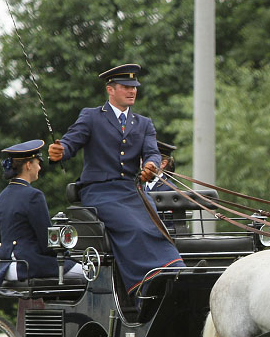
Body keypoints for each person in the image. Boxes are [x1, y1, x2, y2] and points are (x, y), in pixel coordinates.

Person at [47, 63, 183, 295]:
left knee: (156, 228)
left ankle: (175, 273)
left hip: (131, 192)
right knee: (134, 229)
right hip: (100, 192)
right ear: (110, 90)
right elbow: (70, 142)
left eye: (134, 87)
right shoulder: (91, 117)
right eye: (125, 87)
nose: (132, 91)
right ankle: (144, 287)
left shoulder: (143, 124)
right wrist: (60, 151)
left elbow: (151, 152)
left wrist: (150, 165)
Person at [0, 140, 82, 287]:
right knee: (90, 273)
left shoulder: (1, 197)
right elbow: (47, 242)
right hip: (29, 265)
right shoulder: (33, 196)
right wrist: (68, 255)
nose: (39, 168)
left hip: (6, 268)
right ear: (28, 165)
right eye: (38, 163)